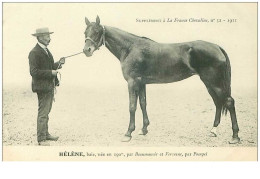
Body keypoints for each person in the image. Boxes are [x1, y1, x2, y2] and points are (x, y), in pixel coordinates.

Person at [29, 27, 65, 146]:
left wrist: (58, 64)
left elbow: (49, 66)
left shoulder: (46, 50)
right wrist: (51, 73)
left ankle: (46, 134)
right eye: (47, 36)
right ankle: (41, 139)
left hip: (49, 86)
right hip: (42, 87)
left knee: (47, 111)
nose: (49, 39)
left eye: (49, 36)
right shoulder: (34, 52)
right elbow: (34, 72)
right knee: (43, 112)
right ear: (39, 37)